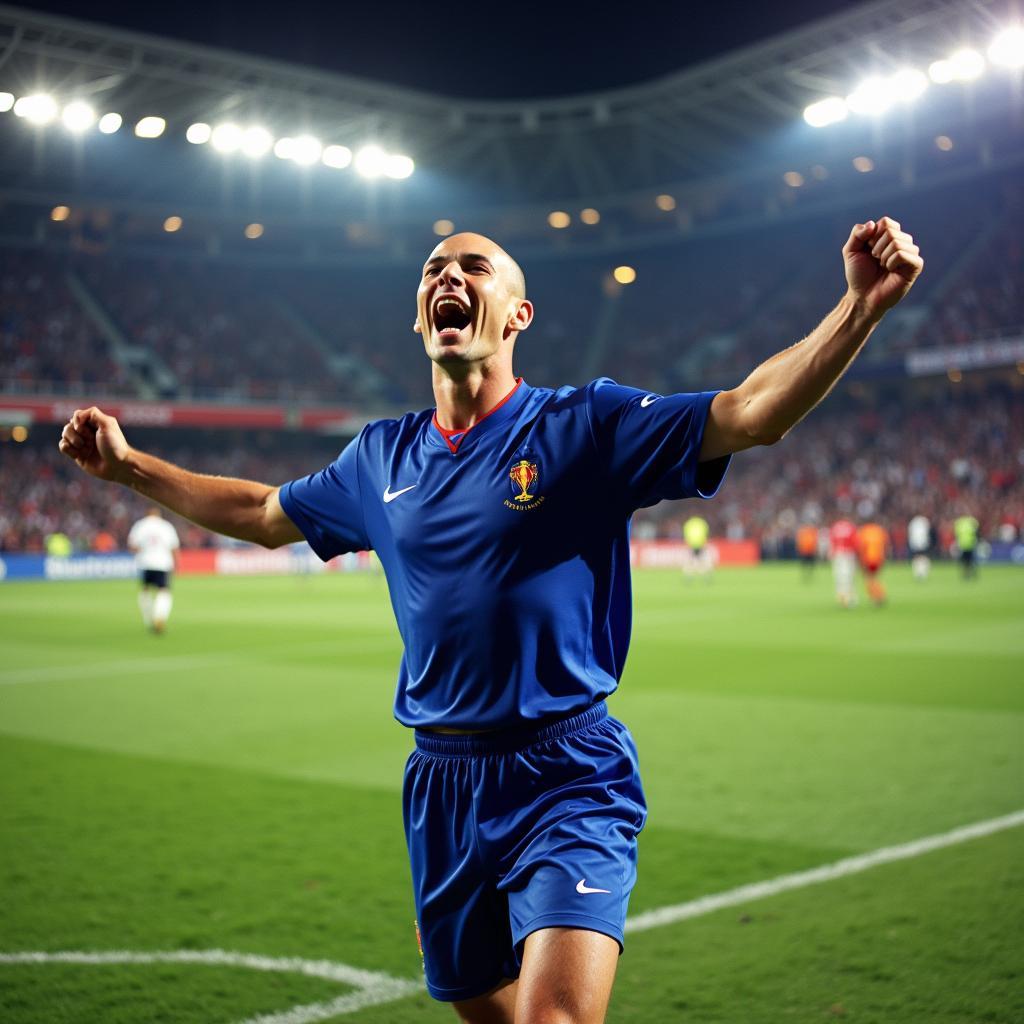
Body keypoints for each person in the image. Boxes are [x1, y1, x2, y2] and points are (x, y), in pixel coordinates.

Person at [59, 217, 922, 1024]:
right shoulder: (379, 458)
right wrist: (131, 467)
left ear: (517, 315)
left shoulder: (586, 423)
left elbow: (748, 413)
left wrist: (857, 308)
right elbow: (258, 511)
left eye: (474, 267)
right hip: (442, 782)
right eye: (436, 269)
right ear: (420, 316)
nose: (450, 276)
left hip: (567, 771)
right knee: (484, 1007)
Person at [126, 506, 181, 633]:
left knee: (145, 590)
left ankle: (148, 618)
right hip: (163, 563)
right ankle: (159, 616)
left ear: (147, 513)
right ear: (158, 514)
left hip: (145, 562)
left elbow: (132, 546)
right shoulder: (166, 526)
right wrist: (177, 564)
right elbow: (174, 547)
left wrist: (143, 550)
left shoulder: (140, 525)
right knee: (164, 591)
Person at [856, 520, 889, 606]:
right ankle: (879, 595)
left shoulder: (863, 531)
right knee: (874, 577)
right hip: (879, 558)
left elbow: (861, 547)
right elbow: (886, 544)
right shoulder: (879, 530)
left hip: (868, 559)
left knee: (869, 579)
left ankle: (877, 596)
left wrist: (860, 560)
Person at [829, 516, 858, 608]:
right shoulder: (851, 527)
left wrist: (832, 553)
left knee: (840, 577)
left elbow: (832, 541)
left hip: (838, 554)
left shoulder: (835, 527)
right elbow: (855, 542)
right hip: (848, 553)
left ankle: (842, 596)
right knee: (849, 576)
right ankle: (849, 597)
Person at [682, 513, 713, 580]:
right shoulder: (702, 523)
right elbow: (706, 533)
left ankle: (688, 576)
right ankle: (706, 576)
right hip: (701, 544)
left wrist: (687, 542)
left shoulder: (689, 523)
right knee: (703, 561)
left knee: (690, 562)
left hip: (691, 545)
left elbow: (686, 534)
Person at [953, 512, 980, 579]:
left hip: (964, 544)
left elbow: (956, 534)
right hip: (970, 544)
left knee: (965, 561)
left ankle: (966, 574)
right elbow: (976, 532)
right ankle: (971, 574)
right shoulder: (972, 522)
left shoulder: (959, 523)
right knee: (970, 560)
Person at [907, 513, 933, 580]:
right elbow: (928, 532)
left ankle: (918, 573)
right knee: (923, 557)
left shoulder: (913, 522)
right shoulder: (924, 520)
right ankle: (923, 572)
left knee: (917, 557)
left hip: (915, 543)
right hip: (923, 542)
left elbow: (910, 533)